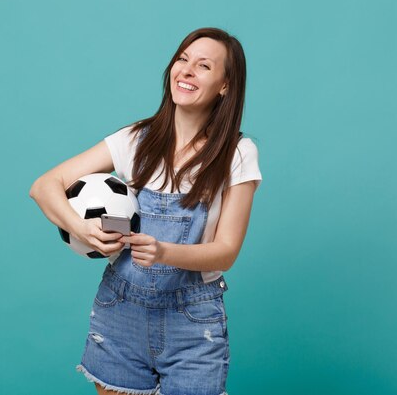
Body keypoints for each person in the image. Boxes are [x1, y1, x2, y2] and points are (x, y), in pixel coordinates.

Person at [29, 27, 262, 395]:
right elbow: (43, 186)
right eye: (182, 59)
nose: (186, 70)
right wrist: (83, 228)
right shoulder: (136, 140)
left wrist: (163, 252)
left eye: (203, 66)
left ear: (225, 86)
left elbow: (227, 250)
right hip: (120, 309)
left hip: (193, 319)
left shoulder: (237, 153)